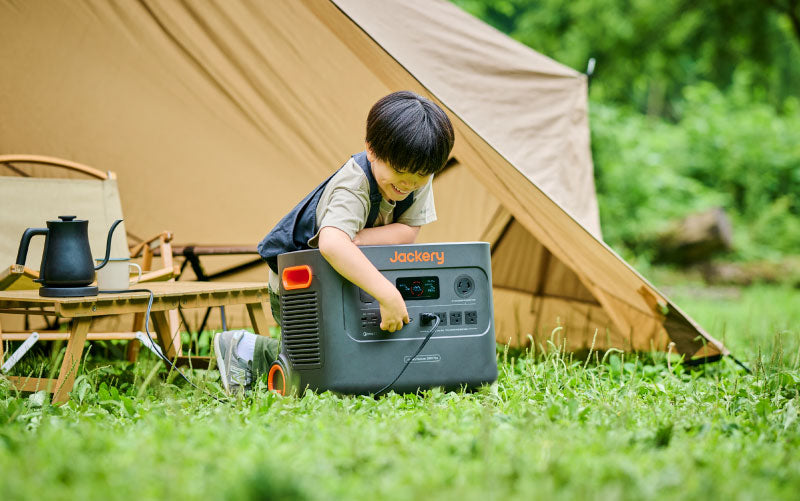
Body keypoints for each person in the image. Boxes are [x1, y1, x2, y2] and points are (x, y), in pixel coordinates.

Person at [213, 91, 455, 393]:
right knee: (322, 367)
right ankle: (245, 348)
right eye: (399, 172)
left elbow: (408, 231)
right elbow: (331, 245)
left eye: (420, 175)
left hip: (349, 272)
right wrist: (387, 294)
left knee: (359, 355)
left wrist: (359, 239)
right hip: (301, 283)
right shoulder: (352, 186)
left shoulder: (418, 170)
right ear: (371, 150)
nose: (408, 184)